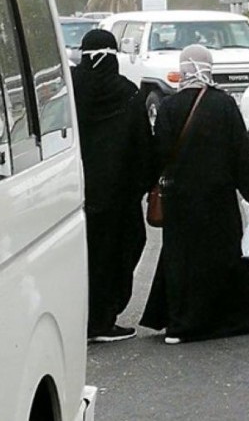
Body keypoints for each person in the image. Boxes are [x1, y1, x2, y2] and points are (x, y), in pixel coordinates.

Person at [139, 44, 249, 344]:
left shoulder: (169, 106)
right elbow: (241, 154)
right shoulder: (224, 105)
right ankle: (235, 320)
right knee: (225, 258)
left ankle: (182, 325)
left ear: (183, 69)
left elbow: (160, 154)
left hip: (180, 200)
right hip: (218, 198)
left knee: (183, 260)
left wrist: (147, 186)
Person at [71, 29, 154, 343]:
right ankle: (102, 318)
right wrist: (142, 186)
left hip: (70, 193)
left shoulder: (70, 90)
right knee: (116, 254)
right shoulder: (128, 94)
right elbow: (142, 148)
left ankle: (76, 317)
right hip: (117, 200)